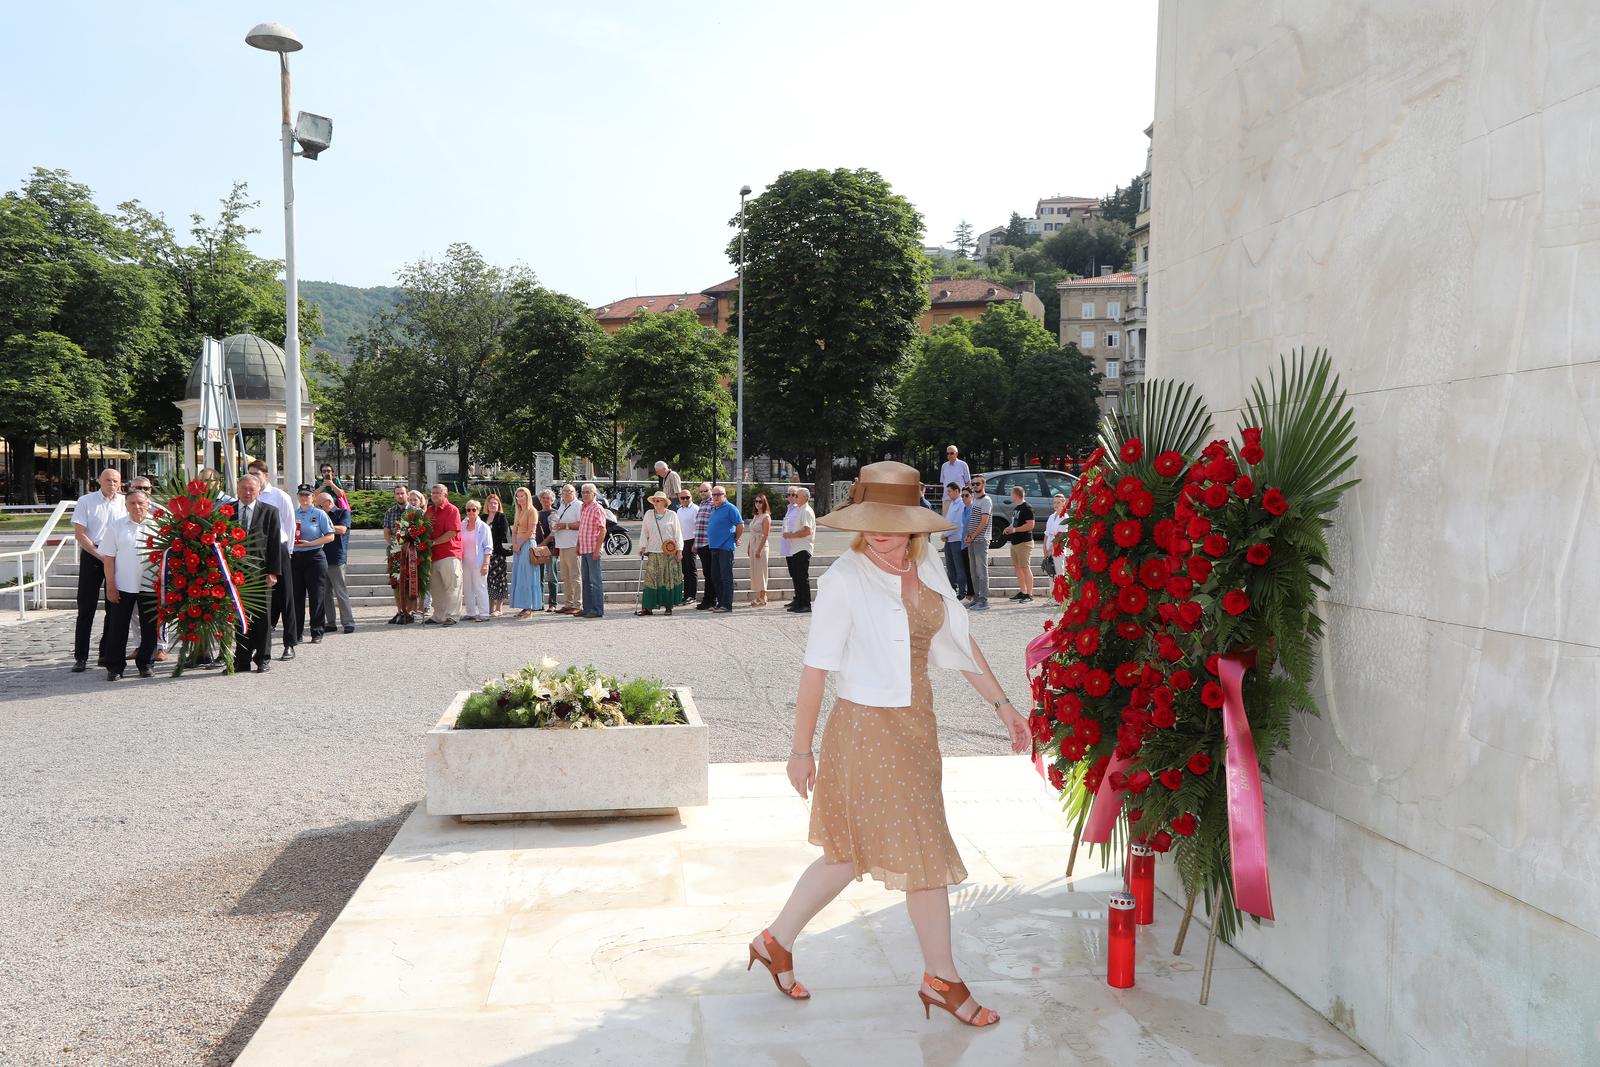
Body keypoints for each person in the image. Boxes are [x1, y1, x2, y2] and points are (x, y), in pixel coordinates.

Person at [748, 461, 1029, 1026]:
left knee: (851, 854)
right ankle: (943, 979)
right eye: (872, 518)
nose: (882, 531)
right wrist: (800, 750)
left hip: (916, 727)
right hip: (865, 730)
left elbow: (959, 643)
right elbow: (815, 669)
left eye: (894, 520)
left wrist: (1004, 708)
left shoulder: (928, 569)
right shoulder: (845, 579)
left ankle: (775, 941)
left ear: (915, 523)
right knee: (908, 848)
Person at [95, 488, 158, 680]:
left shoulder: (158, 526)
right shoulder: (116, 526)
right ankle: (115, 667)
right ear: (126, 505)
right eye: (132, 503)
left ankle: (145, 663)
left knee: (150, 628)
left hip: (150, 586)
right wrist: (110, 586)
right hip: (123, 585)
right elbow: (108, 559)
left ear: (148, 504)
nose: (137, 507)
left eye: (141, 503)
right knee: (117, 627)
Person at [70, 467, 126, 672]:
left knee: (113, 607)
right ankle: (81, 657)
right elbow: (80, 533)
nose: (112, 484)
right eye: (108, 480)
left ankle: (106, 653)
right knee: (86, 608)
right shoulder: (86, 501)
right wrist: (99, 555)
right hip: (93, 556)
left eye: (115, 481)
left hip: (118, 558)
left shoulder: (124, 503)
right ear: (99, 481)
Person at [232, 475, 282, 672]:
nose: (247, 492)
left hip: (261, 574)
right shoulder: (226, 512)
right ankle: (242, 659)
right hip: (235, 575)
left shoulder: (270, 512)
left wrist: (273, 572)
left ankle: (263, 658)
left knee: (262, 618)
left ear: (259, 491)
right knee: (239, 617)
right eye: (243, 488)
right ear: (237, 490)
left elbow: (274, 544)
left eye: (251, 489)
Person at [247, 459, 298, 651]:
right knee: (257, 598)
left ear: (266, 476)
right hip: (256, 552)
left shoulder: (279, 496)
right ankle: (254, 643)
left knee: (285, 598)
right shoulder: (250, 495)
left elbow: (289, 525)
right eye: (250, 473)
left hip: (280, 548)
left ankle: (289, 643)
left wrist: (289, 552)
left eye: (257, 474)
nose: (253, 477)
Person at [290, 485, 334, 650]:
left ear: (312, 497)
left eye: (307, 495)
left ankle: (317, 632)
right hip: (295, 558)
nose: (304, 498)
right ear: (297, 496)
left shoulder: (319, 514)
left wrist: (311, 543)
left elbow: (330, 536)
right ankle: (297, 632)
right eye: (301, 494)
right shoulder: (292, 514)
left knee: (317, 596)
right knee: (296, 597)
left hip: (314, 556)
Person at [635, 491, 682, 616]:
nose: (655, 503)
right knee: (651, 579)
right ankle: (647, 607)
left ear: (664, 502)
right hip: (653, 551)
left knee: (667, 579)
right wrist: (642, 546)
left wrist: (679, 550)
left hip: (668, 552)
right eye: (654, 501)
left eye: (658, 500)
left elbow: (678, 534)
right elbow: (644, 531)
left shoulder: (672, 515)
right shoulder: (649, 514)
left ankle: (668, 606)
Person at [702, 485, 744, 613]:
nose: (715, 497)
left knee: (726, 577)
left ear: (724, 495)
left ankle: (727, 605)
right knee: (715, 576)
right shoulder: (714, 508)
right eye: (713, 495)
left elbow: (740, 525)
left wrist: (735, 538)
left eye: (718, 494)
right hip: (714, 547)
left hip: (725, 547)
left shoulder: (730, 508)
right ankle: (720, 603)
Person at [425, 484, 463, 625]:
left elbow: (452, 532)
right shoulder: (429, 511)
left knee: (452, 586)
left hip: (449, 553)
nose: (434, 495)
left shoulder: (452, 510)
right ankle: (439, 615)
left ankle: (452, 615)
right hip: (433, 555)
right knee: (437, 587)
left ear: (445, 495)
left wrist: (433, 542)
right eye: (433, 492)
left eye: (437, 493)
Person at [319, 491, 355, 634]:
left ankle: (348, 622)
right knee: (325, 593)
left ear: (329, 502)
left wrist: (324, 527)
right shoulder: (320, 514)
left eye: (321, 505)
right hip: (321, 557)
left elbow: (342, 529)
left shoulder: (342, 513)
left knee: (340, 591)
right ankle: (331, 622)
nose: (319, 508)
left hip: (336, 557)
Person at [509, 486, 544, 618]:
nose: (520, 499)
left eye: (522, 496)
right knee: (520, 576)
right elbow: (514, 530)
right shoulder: (519, 511)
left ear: (527, 496)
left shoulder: (532, 511)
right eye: (518, 496)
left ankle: (529, 607)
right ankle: (524, 606)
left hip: (527, 543)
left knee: (528, 575)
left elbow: (530, 531)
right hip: (519, 544)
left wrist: (518, 544)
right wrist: (514, 544)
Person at [383, 485, 416, 624]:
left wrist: (408, 547)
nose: (400, 496)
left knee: (412, 582)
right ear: (394, 495)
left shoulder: (416, 511)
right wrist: (396, 546)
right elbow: (386, 533)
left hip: (412, 553)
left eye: (402, 493)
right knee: (396, 583)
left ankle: (409, 612)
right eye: (397, 493)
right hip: (395, 553)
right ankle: (400, 611)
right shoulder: (390, 512)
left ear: (407, 494)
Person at [781, 486, 815, 614]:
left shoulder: (806, 510)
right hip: (796, 548)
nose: (794, 498)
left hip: (803, 548)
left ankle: (805, 604)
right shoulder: (801, 509)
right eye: (794, 496)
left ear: (804, 498)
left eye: (796, 496)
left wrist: (791, 535)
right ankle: (799, 602)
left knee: (802, 577)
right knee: (797, 577)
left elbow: (807, 530)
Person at [576, 482, 608, 618]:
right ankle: (587, 608)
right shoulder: (583, 507)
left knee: (595, 581)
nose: (585, 494)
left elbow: (602, 530)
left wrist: (597, 549)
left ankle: (597, 609)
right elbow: (582, 528)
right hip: (584, 547)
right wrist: (578, 544)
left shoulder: (597, 508)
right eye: (583, 492)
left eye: (588, 492)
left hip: (592, 548)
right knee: (586, 580)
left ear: (594, 494)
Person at [551, 483, 583, 615]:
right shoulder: (562, 505)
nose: (566, 493)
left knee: (575, 576)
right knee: (566, 576)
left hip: (572, 544)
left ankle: (577, 603)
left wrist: (565, 526)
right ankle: (568, 603)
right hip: (562, 544)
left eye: (569, 491)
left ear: (574, 492)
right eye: (564, 491)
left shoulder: (578, 505)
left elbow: (581, 524)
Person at [460, 499, 494, 621]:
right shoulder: (461, 525)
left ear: (478, 510)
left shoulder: (484, 527)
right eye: (468, 509)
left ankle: (484, 613)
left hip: (479, 562)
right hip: (465, 562)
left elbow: (488, 547)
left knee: (480, 586)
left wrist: (486, 563)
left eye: (473, 509)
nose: (470, 512)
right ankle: (471, 612)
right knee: (467, 588)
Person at [963, 475, 992, 611]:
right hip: (973, 540)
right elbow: (973, 520)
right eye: (973, 484)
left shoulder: (986, 500)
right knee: (973, 571)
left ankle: (983, 600)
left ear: (983, 485)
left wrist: (972, 536)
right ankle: (976, 598)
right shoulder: (975, 500)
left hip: (981, 540)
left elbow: (984, 521)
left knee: (981, 570)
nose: (975, 486)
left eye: (977, 484)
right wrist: (969, 535)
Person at [1003, 485, 1036, 603]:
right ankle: (1023, 592)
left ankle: (1029, 594)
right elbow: (1014, 524)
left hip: (1024, 542)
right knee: (1018, 568)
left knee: (1025, 567)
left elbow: (1031, 525)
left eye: (1011, 494)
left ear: (1016, 495)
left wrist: (1015, 530)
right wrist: (1008, 528)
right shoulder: (1016, 508)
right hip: (1015, 542)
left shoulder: (1027, 508)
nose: (1010, 496)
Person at [692, 482, 720, 611]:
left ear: (711, 491)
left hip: (709, 544)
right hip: (701, 544)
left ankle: (710, 600)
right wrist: (695, 543)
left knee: (710, 574)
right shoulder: (702, 504)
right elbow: (698, 526)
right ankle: (709, 599)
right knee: (707, 573)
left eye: (705, 491)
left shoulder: (713, 504)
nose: (703, 493)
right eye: (701, 491)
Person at [484, 493, 511, 616]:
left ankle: (499, 608)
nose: (492, 505)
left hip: (498, 553)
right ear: (487, 505)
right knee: (488, 580)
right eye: (490, 503)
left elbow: (504, 535)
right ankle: (489, 607)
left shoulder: (501, 517)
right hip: (485, 554)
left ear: (498, 504)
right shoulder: (483, 517)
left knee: (499, 579)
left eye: (495, 503)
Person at [940, 482, 969, 599]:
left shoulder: (961, 504)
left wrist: (945, 534)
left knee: (959, 566)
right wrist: (944, 534)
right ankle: (952, 589)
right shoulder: (952, 504)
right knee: (950, 567)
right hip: (949, 539)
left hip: (956, 539)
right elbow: (948, 521)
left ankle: (962, 590)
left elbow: (957, 523)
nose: (948, 494)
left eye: (950, 491)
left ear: (957, 491)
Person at [746, 493, 772, 607]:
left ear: (764, 503)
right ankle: (759, 595)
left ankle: (763, 596)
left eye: (760, 502)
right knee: (755, 571)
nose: (757, 504)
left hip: (761, 545)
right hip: (753, 544)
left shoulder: (766, 517)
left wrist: (759, 550)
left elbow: (766, 535)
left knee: (761, 571)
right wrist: (749, 546)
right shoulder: (755, 516)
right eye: (756, 501)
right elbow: (752, 533)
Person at [676, 488, 700, 604]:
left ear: (691, 497)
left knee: (691, 569)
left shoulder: (695, 509)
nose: (685, 500)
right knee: (685, 570)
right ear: (679, 499)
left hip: (692, 540)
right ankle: (686, 595)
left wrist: (696, 543)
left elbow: (699, 527)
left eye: (687, 497)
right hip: (681, 542)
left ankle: (692, 595)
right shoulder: (679, 510)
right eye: (682, 498)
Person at [537, 489, 559, 611]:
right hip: (539, 547)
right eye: (543, 498)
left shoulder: (554, 513)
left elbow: (554, 532)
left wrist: (543, 544)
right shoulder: (537, 513)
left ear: (552, 500)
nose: (546, 500)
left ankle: (553, 603)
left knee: (551, 576)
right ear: (540, 500)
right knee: (539, 577)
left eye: (548, 498)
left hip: (550, 547)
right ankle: (539, 603)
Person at [1042, 492, 1069, 579]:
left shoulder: (1065, 517)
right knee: (1050, 572)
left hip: (1058, 548)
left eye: (1058, 502)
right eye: (1054, 502)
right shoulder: (1051, 516)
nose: (1056, 504)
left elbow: (1061, 535)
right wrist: (1045, 548)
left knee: (1059, 572)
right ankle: (1052, 592)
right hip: (1049, 545)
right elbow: (1046, 533)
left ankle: (1060, 591)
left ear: (1063, 503)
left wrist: (1051, 549)